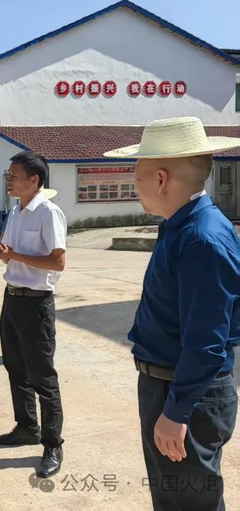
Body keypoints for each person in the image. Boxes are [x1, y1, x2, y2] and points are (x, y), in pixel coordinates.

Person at [104, 117, 240, 510]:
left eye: (137, 177)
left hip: (185, 394)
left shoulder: (201, 238)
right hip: (170, 386)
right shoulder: (182, 226)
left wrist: (177, 410)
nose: (135, 186)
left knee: (189, 503)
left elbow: (206, 341)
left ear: (161, 179)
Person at [0, 152, 66, 479]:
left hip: (36, 304)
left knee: (43, 377)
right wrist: (3, 255)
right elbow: (10, 257)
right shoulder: (15, 212)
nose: (9, 179)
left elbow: (58, 262)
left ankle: (52, 444)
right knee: (15, 368)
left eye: (14, 175)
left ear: (34, 180)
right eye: (8, 174)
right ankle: (27, 427)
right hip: (12, 298)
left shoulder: (48, 213)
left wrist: (15, 255)